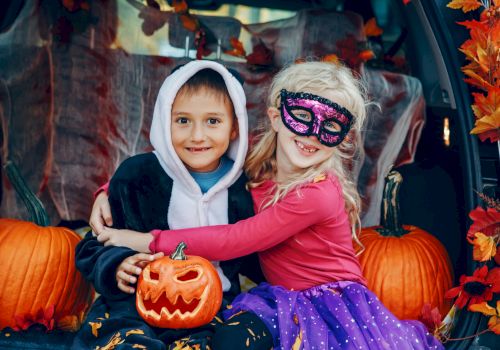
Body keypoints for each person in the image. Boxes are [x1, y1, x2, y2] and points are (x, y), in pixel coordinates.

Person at [94, 61, 444, 349]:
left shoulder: (318, 194)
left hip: (327, 305)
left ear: (344, 138)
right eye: (303, 118)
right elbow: (188, 163)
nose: (311, 136)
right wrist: (107, 190)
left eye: (330, 127)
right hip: (278, 299)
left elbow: (236, 239)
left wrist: (149, 241)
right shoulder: (257, 164)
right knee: (230, 341)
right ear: (277, 117)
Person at [73, 60, 269, 350]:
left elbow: (260, 254)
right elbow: (93, 245)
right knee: (123, 341)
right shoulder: (138, 176)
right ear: (164, 122)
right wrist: (116, 265)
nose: (197, 135)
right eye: (183, 120)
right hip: (134, 304)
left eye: (212, 121)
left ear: (234, 128)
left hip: (211, 307)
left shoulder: (246, 187)